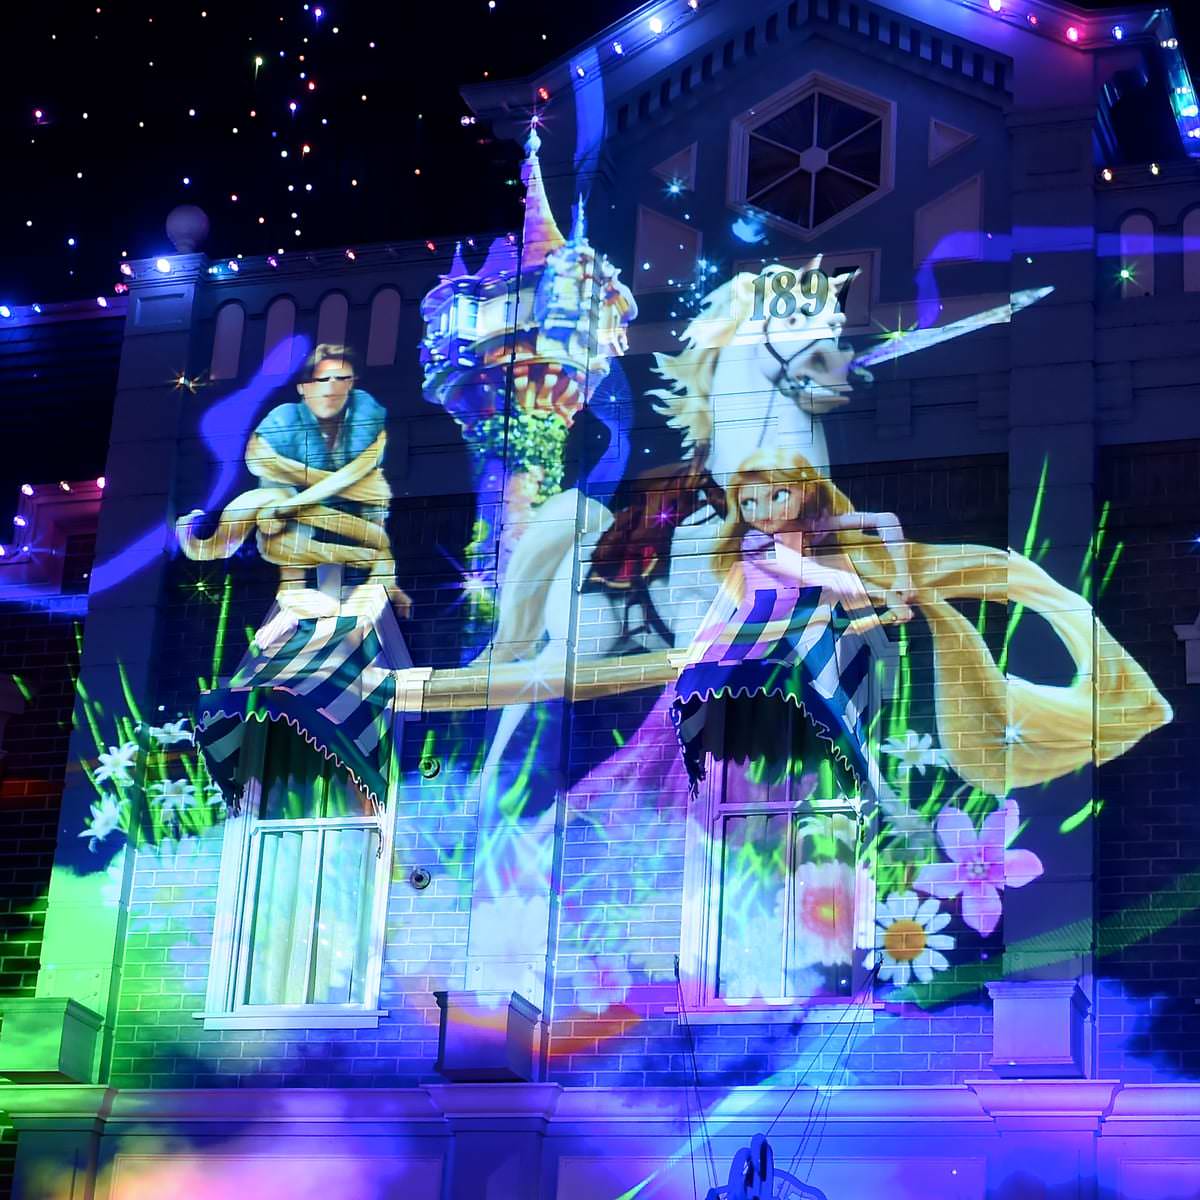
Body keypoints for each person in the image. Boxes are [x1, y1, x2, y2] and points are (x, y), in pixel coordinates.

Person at [179, 343, 411, 616]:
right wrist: (293, 502)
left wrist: (287, 505)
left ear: (351, 384)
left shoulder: (364, 410)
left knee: (372, 500)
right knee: (271, 499)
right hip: (296, 518)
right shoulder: (285, 418)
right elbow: (258, 461)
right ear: (303, 387)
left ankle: (372, 577)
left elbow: (368, 484)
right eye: (323, 379)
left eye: (342, 379)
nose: (332, 387)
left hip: (345, 517)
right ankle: (292, 590)